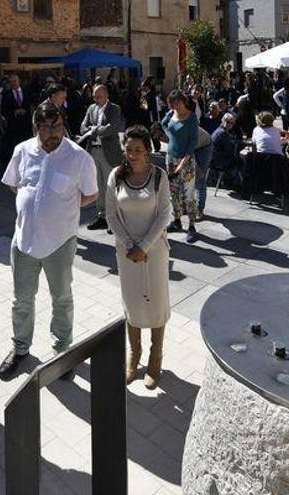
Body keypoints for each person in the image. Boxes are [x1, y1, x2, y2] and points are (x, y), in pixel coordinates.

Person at [0, 101, 98, 380]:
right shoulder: (22, 151)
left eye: (57, 126)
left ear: (64, 124)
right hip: (24, 241)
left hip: (60, 242)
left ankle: (63, 351)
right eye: (45, 127)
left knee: (62, 299)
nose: (52, 132)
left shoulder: (78, 157)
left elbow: (91, 194)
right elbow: (13, 183)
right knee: (22, 300)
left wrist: (62, 206)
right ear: (35, 127)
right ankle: (20, 348)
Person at [104, 126, 172, 389]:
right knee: (132, 303)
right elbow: (110, 214)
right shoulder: (116, 176)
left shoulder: (159, 176)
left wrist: (144, 245)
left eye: (138, 150)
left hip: (154, 251)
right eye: (129, 149)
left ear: (148, 151)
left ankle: (156, 359)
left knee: (156, 302)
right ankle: (135, 354)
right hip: (127, 252)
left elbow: (164, 214)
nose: (133, 154)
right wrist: (130, 245)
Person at [80, 84, 125, 231]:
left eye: (99, 96)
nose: (96, 99)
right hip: (94, 151)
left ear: (106, 95)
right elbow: (83, 127)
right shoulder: (91, 109)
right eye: (94, 96)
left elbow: (112, 127)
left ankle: (114, 218)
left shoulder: (114, 109)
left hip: (109, 152)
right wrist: (93, 130)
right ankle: (102, 216)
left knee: (110, 185)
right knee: (98, 185)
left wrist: (94, 130)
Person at [161, 90, 199, 243]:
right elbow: (163, 124)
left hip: (186, 160)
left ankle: (191, 226)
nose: (175, 105)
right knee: (173, 192)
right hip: (170, 158)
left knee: (188, 194)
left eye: (178, 102)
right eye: (172, 103)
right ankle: (177, 220)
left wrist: (181, 166)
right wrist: (169, 137)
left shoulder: (192, 118)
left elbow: (192, 143)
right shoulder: (171, 114)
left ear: (184, 101)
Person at [2, 74, 34, 158]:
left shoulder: (27, 92)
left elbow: (32, 105)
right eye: (11, 82)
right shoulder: (6, 95)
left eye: (15, 81)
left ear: (18, 81)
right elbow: (3, 110)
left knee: (27, 143)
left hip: (26, 123)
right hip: (14, 125)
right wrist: (14, 112)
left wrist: (26, 111)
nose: (13, 83)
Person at [209, 113, 243, 189]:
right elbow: (230, 149)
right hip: (218, 161)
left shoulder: (218, 130)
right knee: (239, 161)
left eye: (232, 123)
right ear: (223, 120)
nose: (229, 124)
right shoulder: (223, 133)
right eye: (227, 121)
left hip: (212, 159)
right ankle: (236, 184)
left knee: (235, 160)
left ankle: (230, 181)